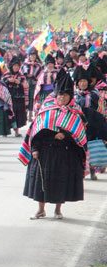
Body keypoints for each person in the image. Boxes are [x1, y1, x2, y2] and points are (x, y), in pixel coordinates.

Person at [20, 71, 87, 220]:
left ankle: (58, 210)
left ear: (70, 96)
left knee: (61, 182)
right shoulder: (46, 109)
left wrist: (66, 135)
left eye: (65, 95)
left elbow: (80, 135)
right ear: (56, 95)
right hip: (45, 152)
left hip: (65, 153)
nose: (62, 98)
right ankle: (40, 210)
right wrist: (35, 148)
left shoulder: (76, 112)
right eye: (60, 95)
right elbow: (36, 131)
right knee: (41, 182)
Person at [3, 56, 28, 137]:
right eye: (15, 66)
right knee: (7, 113)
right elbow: (1, 85)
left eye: (18, 66)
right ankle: (6, 131)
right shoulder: (6, 75)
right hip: (8, 98)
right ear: (11, 66)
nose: (16, 67)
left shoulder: (22, 76)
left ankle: (17, 131)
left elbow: (26, 86)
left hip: (19, 98)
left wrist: (19, 83)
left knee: (17, 114)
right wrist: (8, 81)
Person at [22, 49, 42, 121]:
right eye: (31, 55)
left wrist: (33, 76)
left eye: (34, 55)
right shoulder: (25, 64)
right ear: (29, 56)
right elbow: (22, 74)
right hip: (26, 84)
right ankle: (24, 115)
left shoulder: (39, 65)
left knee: (32, 99)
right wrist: (26, 75)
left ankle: (30, 116)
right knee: (25, 98)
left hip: (34, 84)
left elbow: (40, 75)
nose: (32, 57)